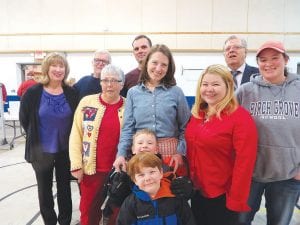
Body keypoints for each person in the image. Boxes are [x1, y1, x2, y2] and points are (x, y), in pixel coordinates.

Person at [236, 41, 300, 225]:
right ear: (258, 64)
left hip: (287, 175)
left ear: (286, 60)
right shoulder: (245, 91)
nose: (269, 63)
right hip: (250, 175)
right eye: (263, 59)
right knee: (240, 221)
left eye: (275, 58)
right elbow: (226, 125)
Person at [185, 64, 258, 225]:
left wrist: (236, 200)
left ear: (228, 86)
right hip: (198, 192)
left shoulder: (240, 118)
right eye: (205, 84)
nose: (209, 89)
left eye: (215, 84)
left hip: (222, 196)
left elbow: (245, 162)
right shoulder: (198, 114)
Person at [19, 52, 78, 225]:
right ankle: (50, 222)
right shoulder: (33, 93)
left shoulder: (72, 93)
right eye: (55, 65)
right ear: (47, 68)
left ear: (65, 70)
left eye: (62, 66)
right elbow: (25, 119)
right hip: (41, 151)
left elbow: (77, 121)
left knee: (65, 189)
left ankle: (65, 221)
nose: (58, 69)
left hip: (65, 151)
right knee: (44, 191)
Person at [113, 44, 191, 173]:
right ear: (146, 63)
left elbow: (186, 127)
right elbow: (128, 129)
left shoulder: (176, 93)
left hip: (171, 159)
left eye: (164, 65)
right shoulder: (133, 93)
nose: (158, 68)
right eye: (154, 62)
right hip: (141, 157)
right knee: (143, 192)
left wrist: (180, 153)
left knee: (168, 192)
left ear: (169, 68)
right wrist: (120, 154)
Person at [69, 64, 125, 225]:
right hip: (90, 171)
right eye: (105, 80)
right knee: (88, 211)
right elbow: (76, 135)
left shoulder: (129, 106)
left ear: (122, 84)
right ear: (100, 82)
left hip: (119, 171)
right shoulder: (87, 102)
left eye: (115, 80)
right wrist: (76, 165)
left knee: (117, 212)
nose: (109, 84)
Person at [116, 152, 196, 225]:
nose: (147, 178)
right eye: (141, 175)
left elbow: (188, 221)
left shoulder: (175, 197)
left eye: (152, 172)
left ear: (161, 173)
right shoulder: (130, 204)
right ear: (134, 180)